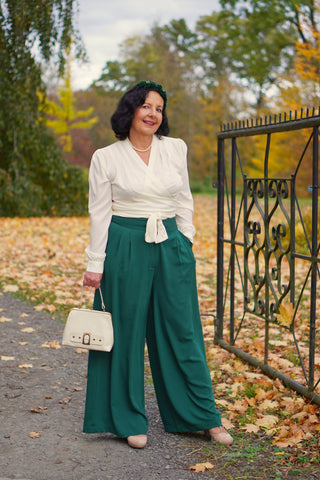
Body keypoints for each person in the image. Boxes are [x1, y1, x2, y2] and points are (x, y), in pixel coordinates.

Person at [82, 80, 233, 449]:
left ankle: (201, 416)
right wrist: (95, 262)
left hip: (171, 244)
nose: (153, 114)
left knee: (183, 330)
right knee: (126, 334)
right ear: (130, 110)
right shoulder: (106, 157)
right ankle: (127, 418)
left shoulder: (175, 149)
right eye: (146, 106)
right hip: (125, 244)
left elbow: (184, 199)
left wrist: (187, 241)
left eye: (159, 108)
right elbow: (99, 213)